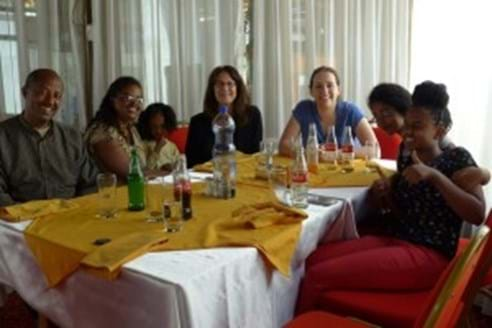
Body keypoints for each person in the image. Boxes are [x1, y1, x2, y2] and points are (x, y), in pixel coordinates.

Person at [296, 81, 486, 314]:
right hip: (396, 237)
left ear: (439, 130)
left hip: (428, 254)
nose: (408, 133)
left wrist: (435, 176)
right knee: (312, 260)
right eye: (408, 125)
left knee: (316, 275)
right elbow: (403, 209)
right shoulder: (407, 153)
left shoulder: (457, 157)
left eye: (417, 126)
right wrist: (385, 195)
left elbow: (477, 214)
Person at [0, 69, 98, 206]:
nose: (50, 101)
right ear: (24, 93)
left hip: (69, 215)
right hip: (22, 220)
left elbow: (90, 184)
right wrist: (23, 217)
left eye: (57, 96)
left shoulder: (73, 137)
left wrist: (77, 210)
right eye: (42, 93)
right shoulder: (3, 136)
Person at [368, 82, 489, 190]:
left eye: (386, 113)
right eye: (376, 115)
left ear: (405, 109)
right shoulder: (404, 147)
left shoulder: (436, 139)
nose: (380, 121)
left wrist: (484, 173)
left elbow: (466, 169)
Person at [279, 66, 377, 156]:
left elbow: (375, 149)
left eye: (329, 85)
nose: (324, 91)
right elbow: (283, 145)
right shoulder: (303, 109)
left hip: (345, 171)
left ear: (338, 90)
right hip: (312, 171)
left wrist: (337, 153)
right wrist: (310, 153)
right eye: (318, 86)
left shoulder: (351, 111)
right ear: (311, 91)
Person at [185, 65, 263, 168]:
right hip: (210, 178)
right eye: (220, 84)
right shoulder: (197, 122)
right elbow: (191, 163)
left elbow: (255, 155)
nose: (225, 88)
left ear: (238, 88)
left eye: (230, 84)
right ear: (212, 89)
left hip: (244, 175)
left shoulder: (252, 115)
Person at [85, 76, 147, 180]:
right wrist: (169, 174)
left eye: (138, 99)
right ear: (113, 100)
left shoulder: (132, 130)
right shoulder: (102, 133)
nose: (134, 104)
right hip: (104, 194)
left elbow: (144, 168)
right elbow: (132, 173)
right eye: (128, 98)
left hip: (132, 190)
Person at [137, 103, 180, 172]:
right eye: (154, 127)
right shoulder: (141, 145)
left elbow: (179, 166)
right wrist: (157, 149)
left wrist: (172, 167)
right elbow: (144, 171)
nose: (158, 131)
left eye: (163, 126)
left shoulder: (171, 146)